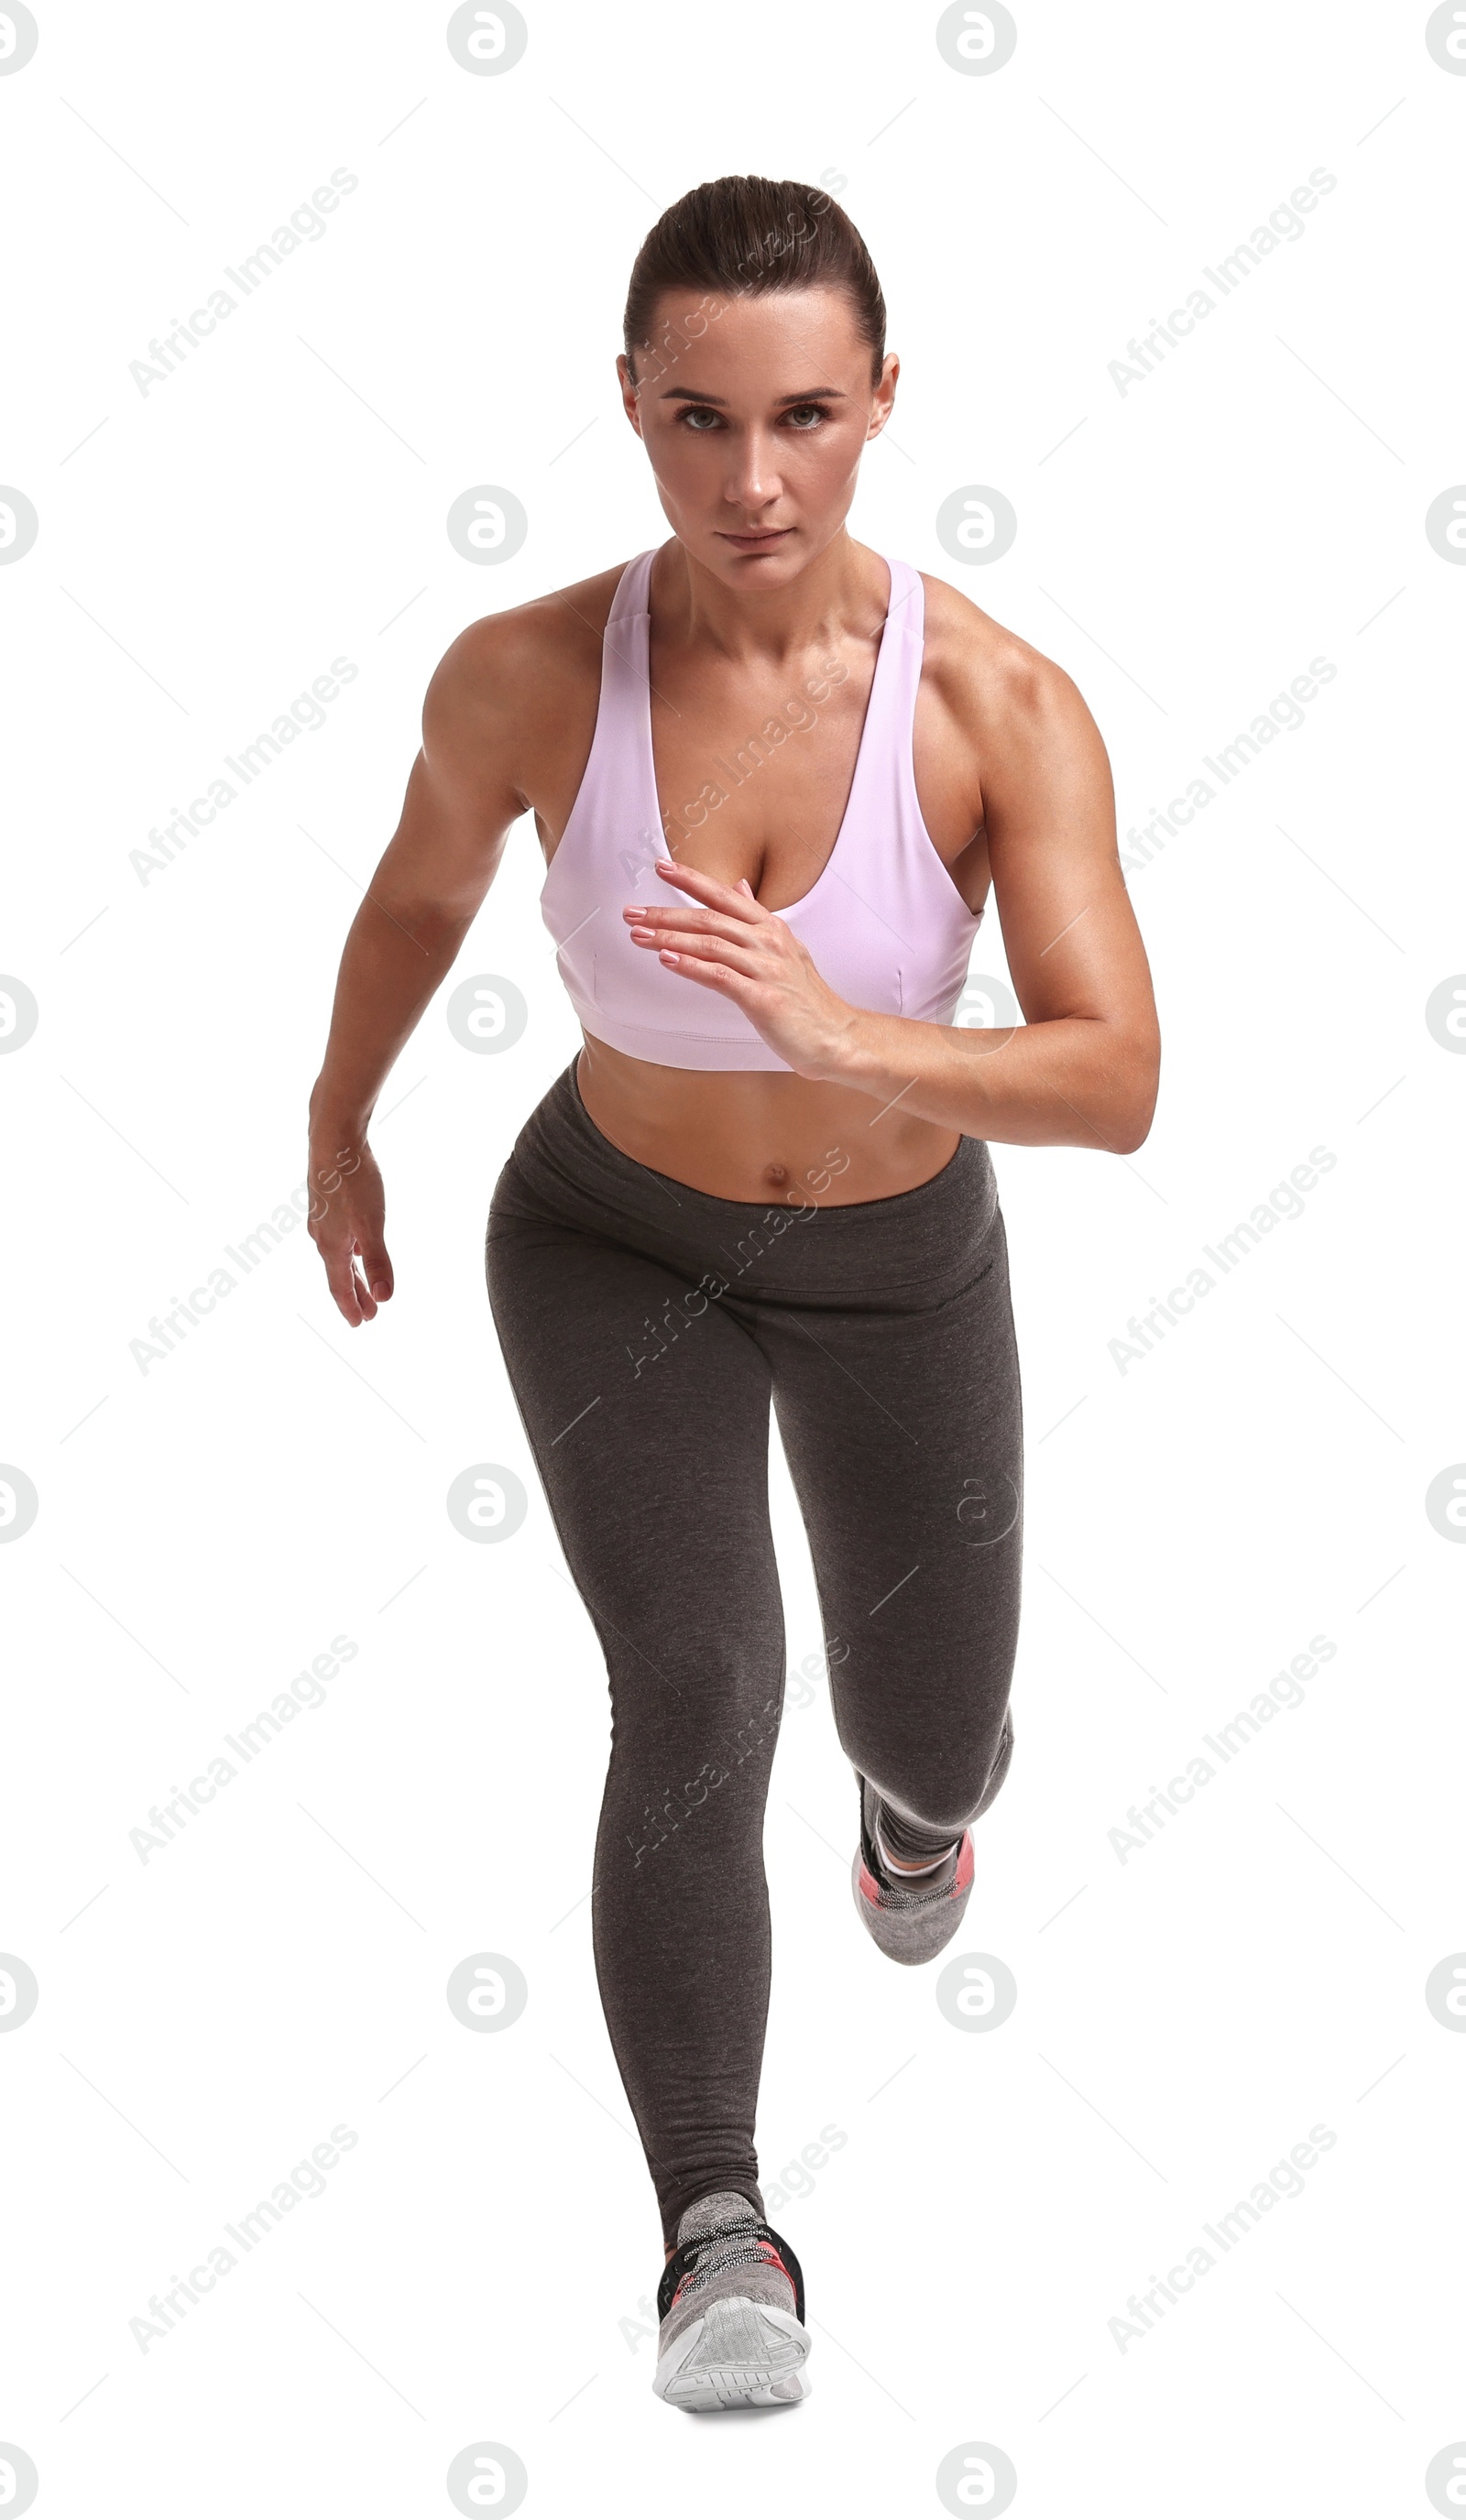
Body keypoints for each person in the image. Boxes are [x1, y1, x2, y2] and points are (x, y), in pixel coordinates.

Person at [307, 173, 1160, 2414]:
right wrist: (336, 1117)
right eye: (696, 419)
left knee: (923, 1722)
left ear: (883, 400)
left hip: (897, 1262)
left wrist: (841, 1033)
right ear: (629, 407)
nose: (750, 479)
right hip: (614, 1239)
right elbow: (412, 899)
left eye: (801, 414)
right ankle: (716, 2225)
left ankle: (920, 1808)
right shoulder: (524, 673)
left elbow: (1117, 1077)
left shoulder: (995, 702)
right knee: (695, 1688)